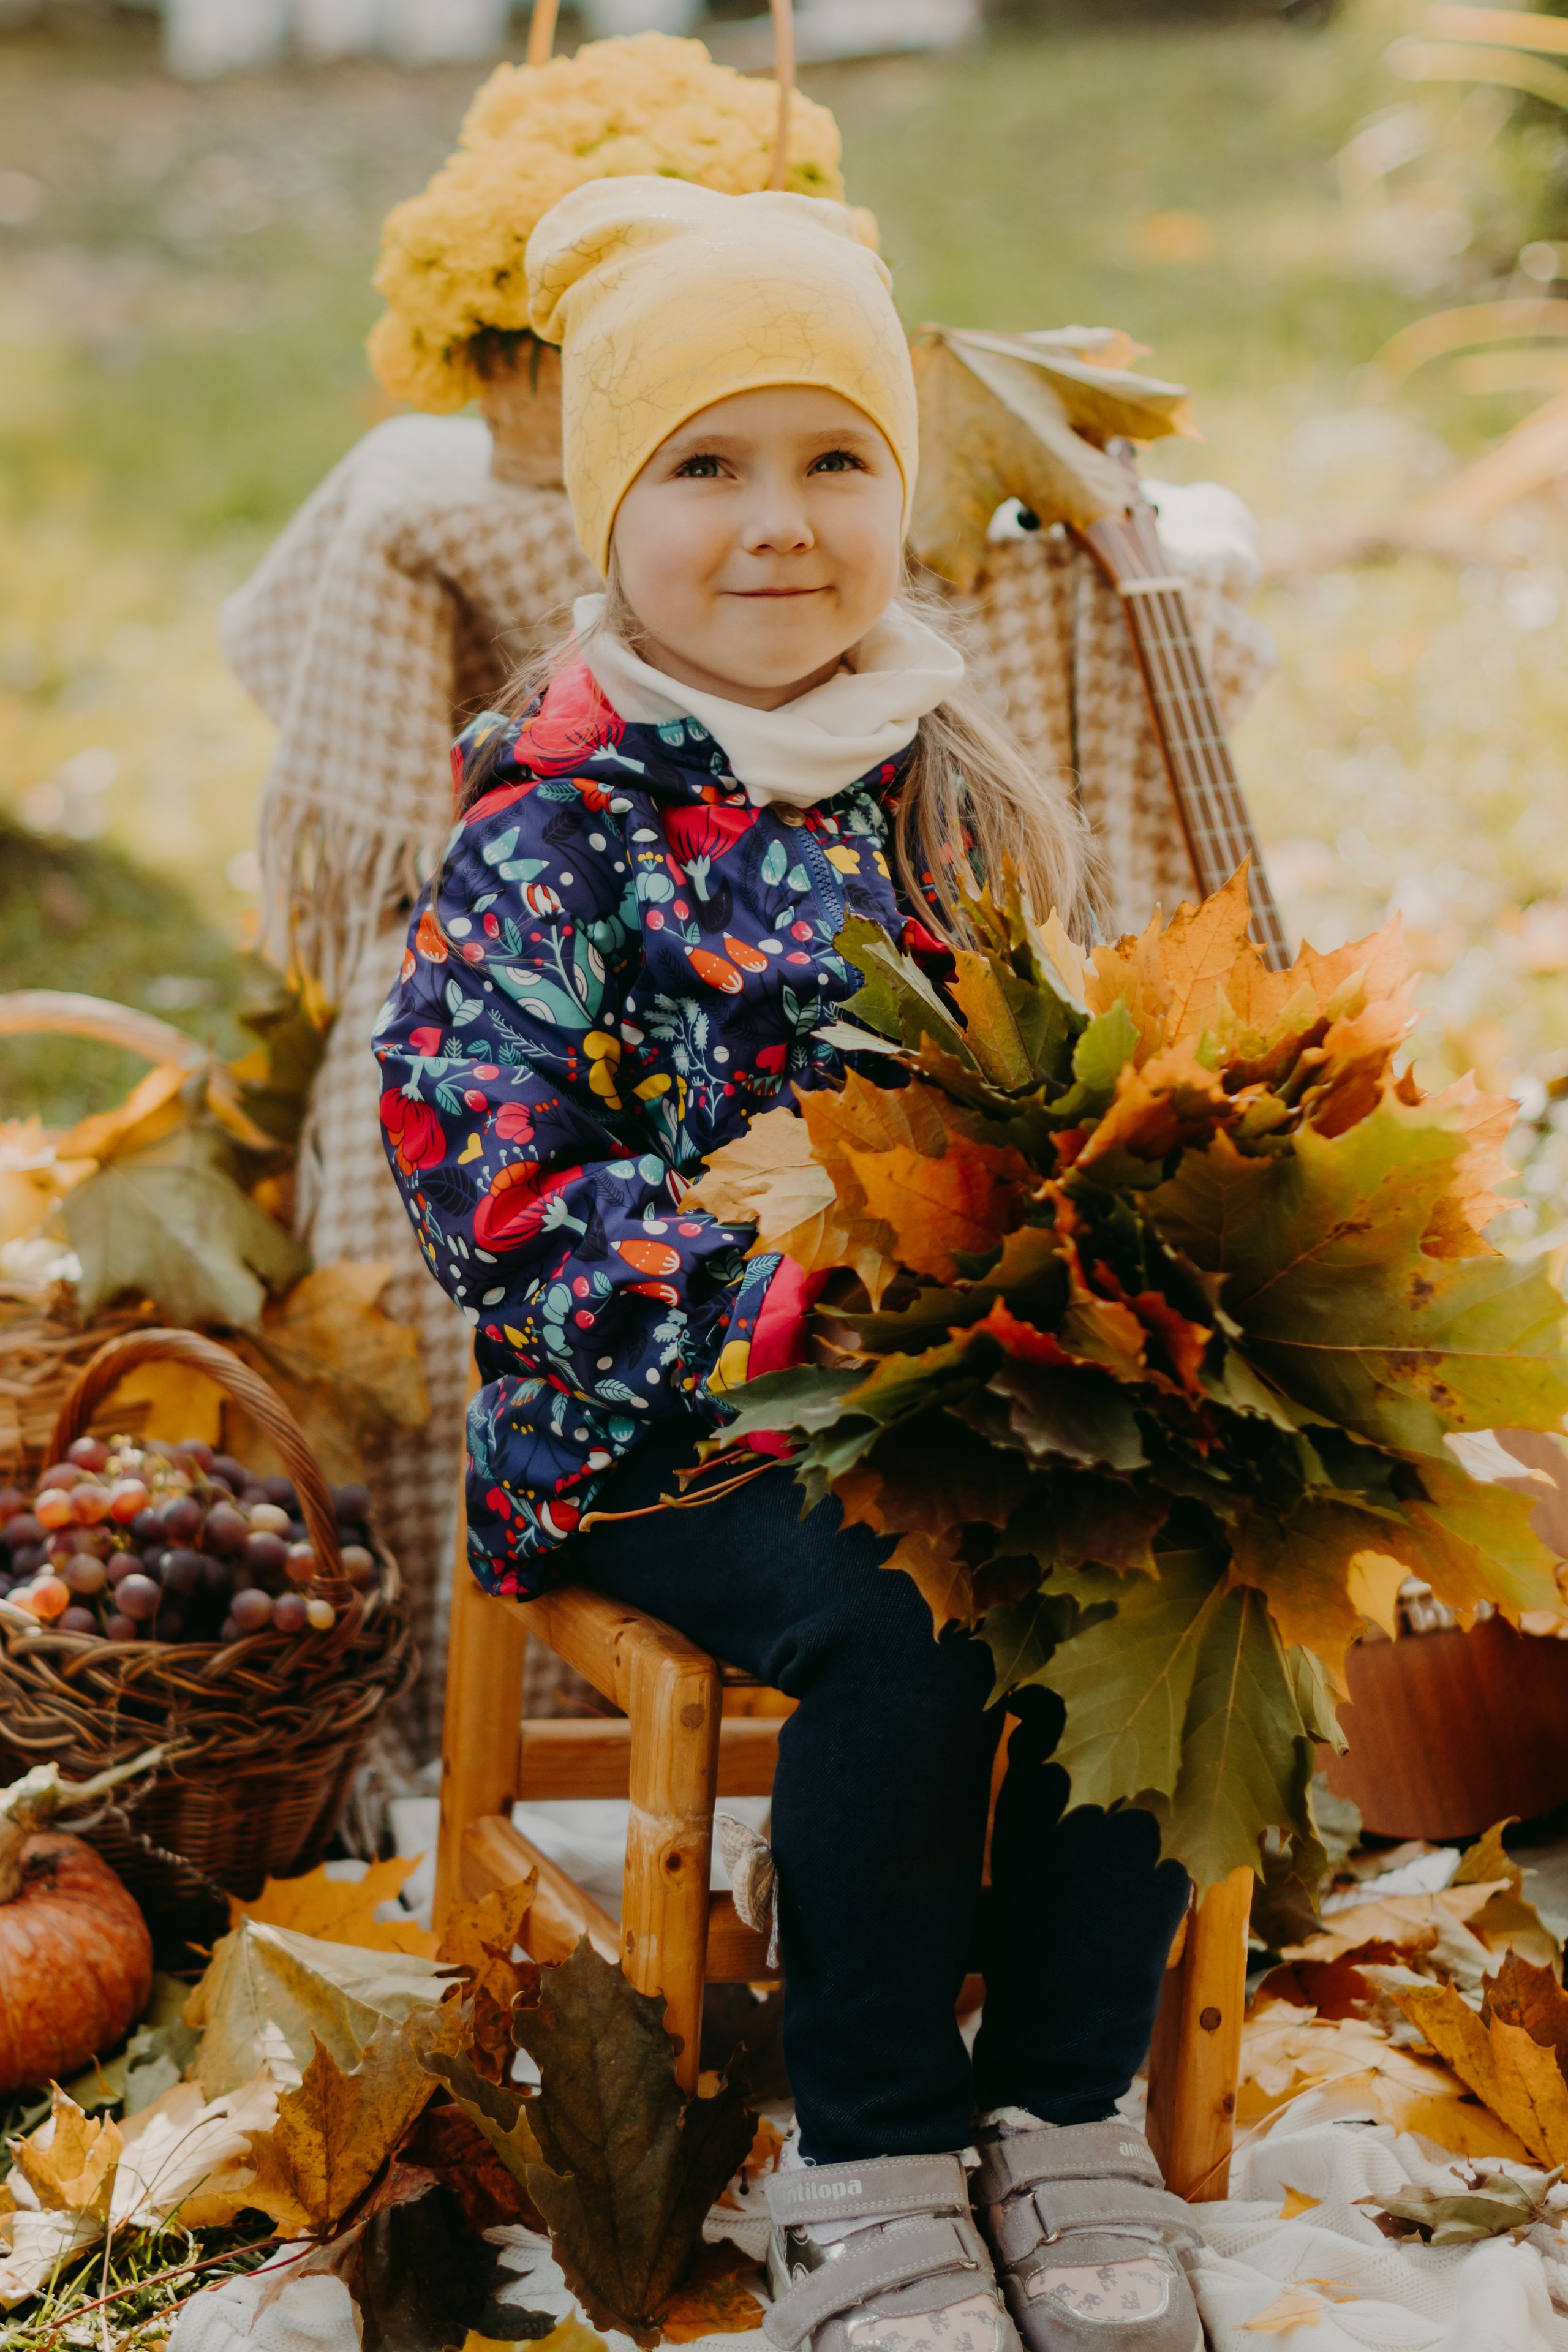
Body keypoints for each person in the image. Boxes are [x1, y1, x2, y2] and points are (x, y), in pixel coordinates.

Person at [375, 176, 1202, 2352]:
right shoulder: (552, 828)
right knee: (905, 1602)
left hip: (931, 1379)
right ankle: (876, 2146)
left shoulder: (942, 779)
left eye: (837, 459)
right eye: (706, 468)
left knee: (1156, 1546)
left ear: (901, 496)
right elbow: (494, 1185)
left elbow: (1048, 1077)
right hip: (655, 1427)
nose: (778, 524)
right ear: (609, 513)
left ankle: (1061, 2104)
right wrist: (778, 1302)